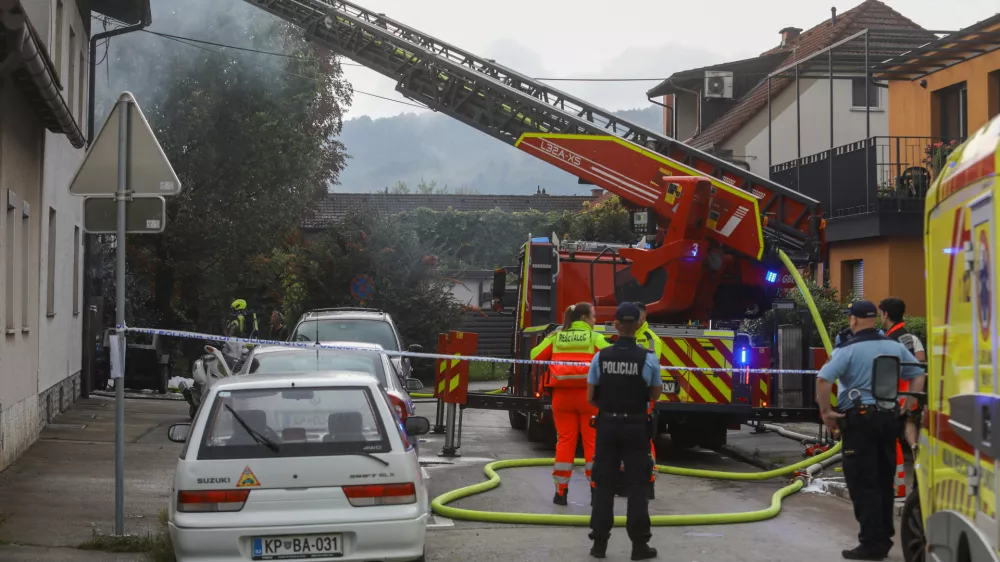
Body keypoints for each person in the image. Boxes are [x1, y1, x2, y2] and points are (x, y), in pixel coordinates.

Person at [815, 300, 926, 561]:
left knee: (863, 483)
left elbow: (823, 379)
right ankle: (883, 539)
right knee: (883, 481)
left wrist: (826, 413)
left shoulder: (848, 350)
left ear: (853, 320)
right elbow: (918, 374)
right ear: (875, 319)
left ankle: (871, 544)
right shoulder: (894, 346)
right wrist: (908, 405)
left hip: (859, 422)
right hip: (889, 420)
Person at [587, 302, 661, 560]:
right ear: (639, 324)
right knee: (637, 486)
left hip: (607, 425)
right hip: (637, 427)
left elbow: (591, 396)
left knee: (604, 483)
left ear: (616, 325)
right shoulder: (648, 358)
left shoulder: (601, 356)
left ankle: (599, 544)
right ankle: (639, 546)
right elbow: (654, 395)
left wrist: (609, 407)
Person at [531, 302, 611, 505]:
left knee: (565, 442)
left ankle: (560, 492)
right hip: (590, 398)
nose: (595, 321)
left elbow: (534, 356)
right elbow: (611, 356)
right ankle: (595, 491)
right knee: (592, 443)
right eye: (593, 317)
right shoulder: (594, 337)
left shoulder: (557, 336)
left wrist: (550, 338)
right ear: (584, 318)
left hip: (561, 398)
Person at [878, 297, 926, 493]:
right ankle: (918, 460)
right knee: (910, 430)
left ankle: (896, 484)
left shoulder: (884, 340)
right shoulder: (912, 338)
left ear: (886, 314)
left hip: (892, 395)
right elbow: (921, 363)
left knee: (892, 439)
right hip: (912, 394)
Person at [630, 302, 664, 499]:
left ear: (642, 318)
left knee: (644, 439)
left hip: (642, 395)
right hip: (626, 394)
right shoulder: (628, 335)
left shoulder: (651, 339)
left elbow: (653, 369)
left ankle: (648, 480)